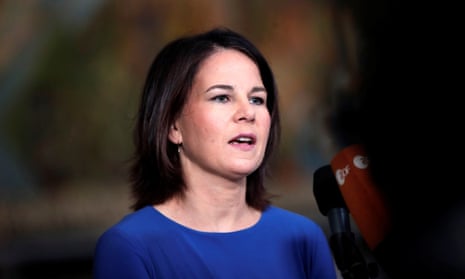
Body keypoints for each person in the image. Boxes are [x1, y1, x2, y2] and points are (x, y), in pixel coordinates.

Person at [93, 27, 337, 279]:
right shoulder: (130, 247)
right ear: (172, 126)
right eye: (221, 98)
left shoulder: (303, 239)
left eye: (257, 99)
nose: (247, 112)